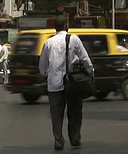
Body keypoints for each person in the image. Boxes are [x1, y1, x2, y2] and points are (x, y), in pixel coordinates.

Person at [39, 15, 94, 150]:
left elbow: (42, 66)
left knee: (56, 115)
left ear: (54, 27)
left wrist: (47, 74)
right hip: (73, 83)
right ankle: (74, 139)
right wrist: (90, 71)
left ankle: (58, 141)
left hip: (54, 84)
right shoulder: (74, 39)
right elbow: (84, 58)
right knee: (75, 113)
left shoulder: (48, 43)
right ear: (66, 25)